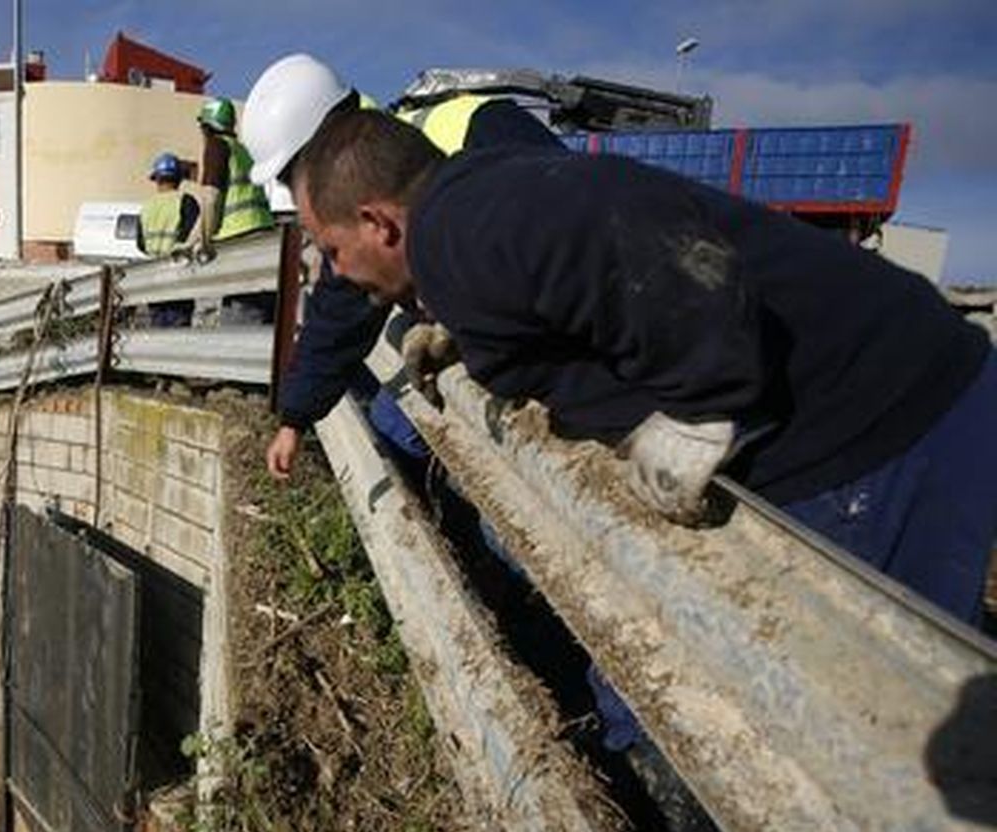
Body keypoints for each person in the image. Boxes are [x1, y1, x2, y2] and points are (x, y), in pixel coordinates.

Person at [288, 106, 997, 628]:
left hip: (892, 419)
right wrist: (471, 335)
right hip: (879, 400)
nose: (340, 276)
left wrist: (704, 404)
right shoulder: (463, 217)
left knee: (881, 697)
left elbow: (630, 229)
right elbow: (576, 280)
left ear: (380, 223)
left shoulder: (464, 230)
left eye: (334, 250)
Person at [238, 53, 560, 478]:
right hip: (514, 357)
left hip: (568, 358)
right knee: (399, 425)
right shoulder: (356, 196)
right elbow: (337, 314)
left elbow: (570, 234)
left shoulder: (472, 129)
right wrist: (295, 417)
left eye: (295, 176)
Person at [194, 97, 277, 325]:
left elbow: (210, 201)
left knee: (241, 322)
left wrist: (204, 241)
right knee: (264, 318)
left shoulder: (216, 147)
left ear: (207, 127)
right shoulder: (245, 153)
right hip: (266, 239)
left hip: (241, 242)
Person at [138, 152, 202, 328]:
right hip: (179, 278)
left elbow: (140, 244)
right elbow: (195, 235)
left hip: (154, 277)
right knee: (178, 333)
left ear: (156, 180)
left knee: (158, 329)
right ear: (180, 178)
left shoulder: (146, 207)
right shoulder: (186, 202)